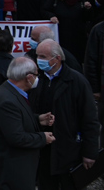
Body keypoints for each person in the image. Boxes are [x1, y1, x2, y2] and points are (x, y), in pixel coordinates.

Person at [30, 39, 100, 189]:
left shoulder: (77, 82)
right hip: (44, 150)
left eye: (43, 56)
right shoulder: (36, 79)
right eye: (38, 56)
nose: (38, 60)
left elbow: (90, 119)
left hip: (68, 150)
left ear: (57, 59)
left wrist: (90, 152)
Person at [0, 56, 54, 190]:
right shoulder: (7, 100)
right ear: (29, 77)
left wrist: (37, 119)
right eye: (37, 74)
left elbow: (13, 120)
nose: (38, 78)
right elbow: (16, 137)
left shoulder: (8, 91)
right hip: (8, 174)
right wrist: (43, 138)